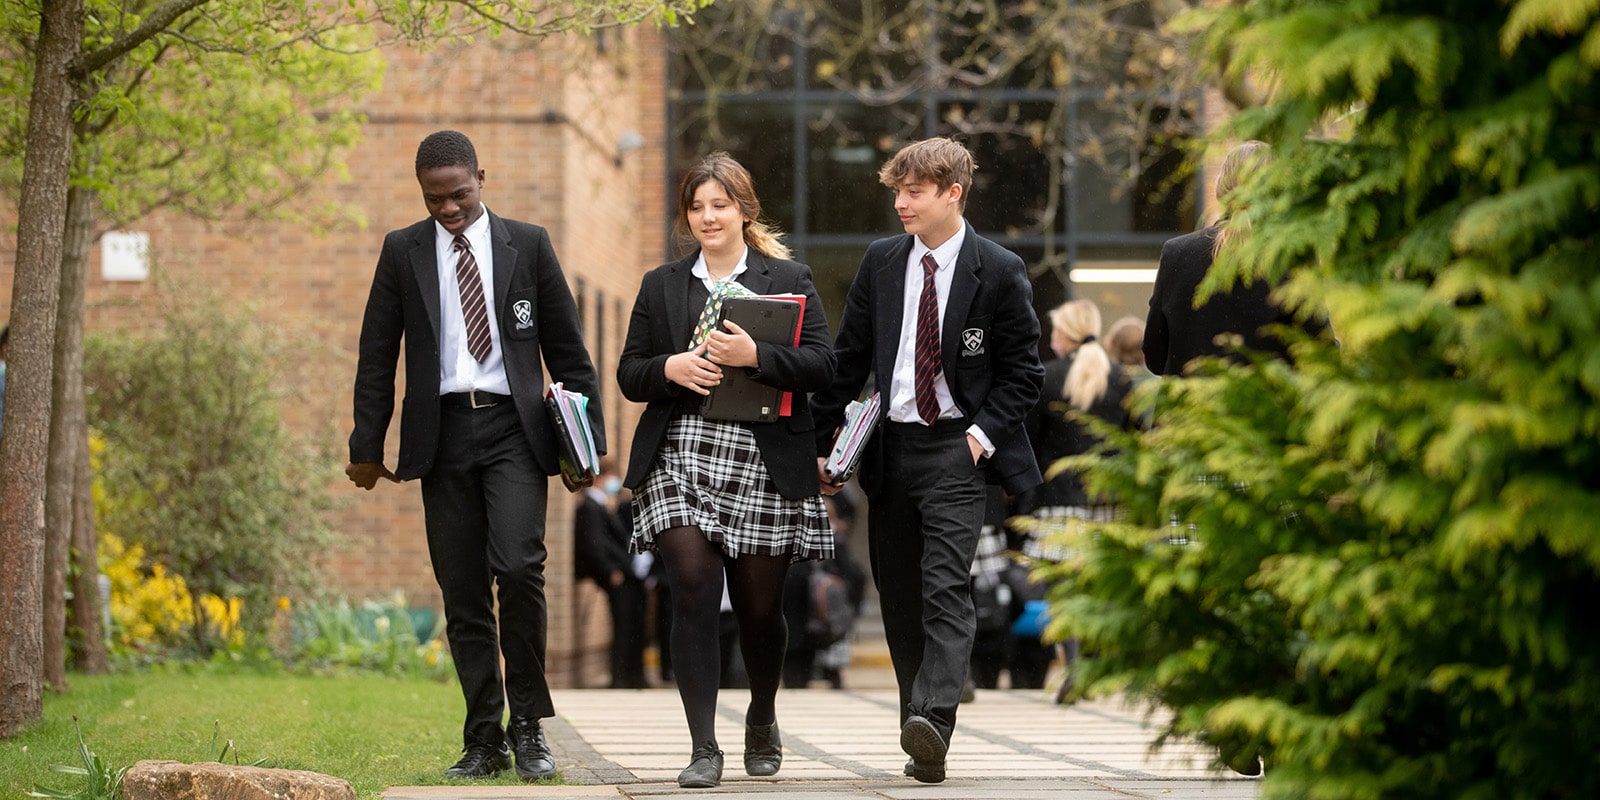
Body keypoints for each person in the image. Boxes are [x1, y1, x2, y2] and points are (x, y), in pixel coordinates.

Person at [346, 130, 604, 782]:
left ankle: (529, 727)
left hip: (515, 431)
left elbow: (570, 355)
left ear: (480, 178)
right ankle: (483, 737)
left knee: (518, 569)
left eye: (458, 194)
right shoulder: (402, 252)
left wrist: (586, 448)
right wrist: (367, 446)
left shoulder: (529, 244)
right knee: (462, 591)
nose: (448, 209)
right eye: (435, 199)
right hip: (443, 436)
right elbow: (378, 354)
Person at [811, 136, 1044, 784]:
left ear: (952, 193)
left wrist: (979, 437)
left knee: (945, 586)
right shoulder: (883, 263)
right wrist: (820, 445)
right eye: (896, 190)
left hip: (956, 452)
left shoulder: (997, 269)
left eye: (912, 191)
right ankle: (922, 736)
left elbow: (1023, 375)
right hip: (891, 450)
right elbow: (848, 360)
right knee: (899, 597)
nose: (899, 202)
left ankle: (934, 717)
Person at [617, 152, 836, 789]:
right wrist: (670, 369)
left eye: (720, 205)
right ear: (687, 215)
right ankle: (703, 746)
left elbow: (823, 364)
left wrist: (757, 355)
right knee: (691, 585)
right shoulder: (661, 284)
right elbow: (631, 372)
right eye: (697, 207)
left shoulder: (788, 277)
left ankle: (762, 716)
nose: (708, 217)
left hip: (762, 454)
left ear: (744, 209)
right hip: (680, 450)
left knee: (759, 607)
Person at [1144, 140, 1329, 375]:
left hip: (1188, 409)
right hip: (1266, 407)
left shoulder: (1176, 253)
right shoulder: (1292, 258)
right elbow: (1322, 354)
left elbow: (1155, 357)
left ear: (1222, 188)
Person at [573, 463, 649, 689]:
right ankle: (621, 676)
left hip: (627, 573)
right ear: (601, 478)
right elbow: (595, 544)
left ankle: (634, 674)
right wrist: (610, 570)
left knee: (633, 624)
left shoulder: (602, 506)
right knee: (624, 626)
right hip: (617, 575)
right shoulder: (589, 507)